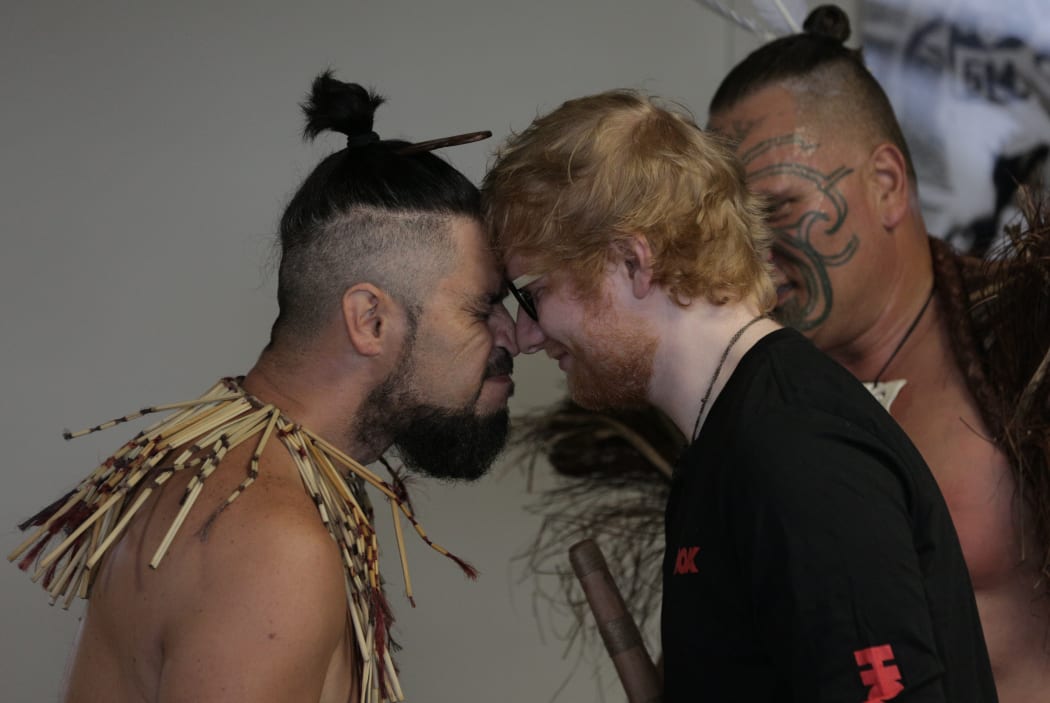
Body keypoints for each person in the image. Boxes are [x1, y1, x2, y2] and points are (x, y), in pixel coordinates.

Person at [10, 71, 518, 703]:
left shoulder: (209, 467)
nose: (514, 336)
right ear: (371, 320)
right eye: (483, 307)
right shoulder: (272, 543)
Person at [483, 89, 997, 700]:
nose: (526, 335)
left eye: (532, 294)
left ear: (631, 262)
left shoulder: (795, 452)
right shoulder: (728, 436)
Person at [705, 6, 1050, 701]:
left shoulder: (1026, 346)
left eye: (776, 210)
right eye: (733, 228)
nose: (753, 253)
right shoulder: (756, 402)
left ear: (887, 184)